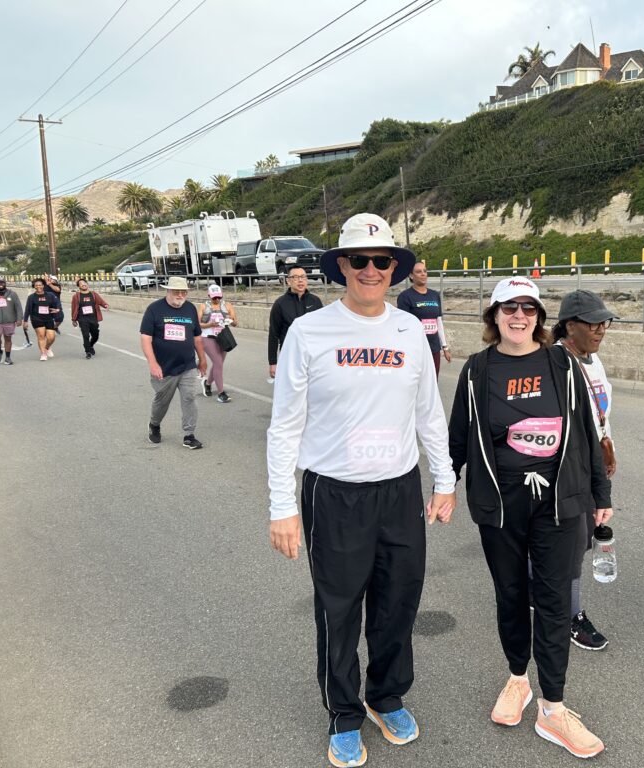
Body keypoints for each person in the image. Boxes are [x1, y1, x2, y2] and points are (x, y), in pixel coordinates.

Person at [267, 213, 455, 768]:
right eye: (359, 261)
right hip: (334, 493)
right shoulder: (310, 332)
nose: (370, 271)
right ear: (342, 267)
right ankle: (344, 712)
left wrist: (444, 480)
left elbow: (429, 414)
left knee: (399, 601)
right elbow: (285, 427)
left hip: (398, 490)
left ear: (394, 268)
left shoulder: (409, 332)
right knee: (340, 608)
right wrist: (282, 506)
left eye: (381, 261)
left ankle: (386, 695)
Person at [448, 276, 612, 759]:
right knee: (511, 595)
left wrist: (602, 492)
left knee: (555, 599)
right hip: (500, 505)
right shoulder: (477, 371)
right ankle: (518, 679)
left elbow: (588, 429)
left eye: (528, 308)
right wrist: (444, 486)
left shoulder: (561, 363)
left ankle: (554, 708)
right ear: (493, 315)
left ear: (540, 318)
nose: (518, 316)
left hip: (559, 503)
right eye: (508, 307)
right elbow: (459, 436)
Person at [551, 289, 620, 652]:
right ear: (569, 326)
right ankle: (569, 616)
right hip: (567, 469)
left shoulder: (593, 360)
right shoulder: (556, 362)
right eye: (592, 323)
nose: (600, 330)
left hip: (592, 463)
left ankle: (540, 591)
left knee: (576, 541)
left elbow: (600, 412)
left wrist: (608, 447)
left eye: (603, 322)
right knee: (575, 545)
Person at [140, 276, 208, 449]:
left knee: (190, 397)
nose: (180, 295)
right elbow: (146, 339)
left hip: (187, 365)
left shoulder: (190, 309)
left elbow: (197, 337)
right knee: (162, 401)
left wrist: (202, 359)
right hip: (164, 368)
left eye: (183, 292)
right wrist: (153, 364)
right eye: (176, 291)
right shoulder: (154, 309)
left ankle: (189, 435)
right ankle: (154, 425)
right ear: (168, 291)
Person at [267, 266, 322, 381]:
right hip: (290, 356)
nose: (300, 280)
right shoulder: (280, 303)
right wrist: (273, 362)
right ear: (288, 281)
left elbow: (322, 331)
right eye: (296, 277)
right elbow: (273, 334)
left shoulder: (315, 301)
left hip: (313, 356)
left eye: (303, 277)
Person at [396, 261, 451, 376]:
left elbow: (438, 322)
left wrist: (445, 347)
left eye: (425, 271)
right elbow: (403, 326)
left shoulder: (435, 295)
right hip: (416, 349)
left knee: (433, 381)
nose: (423, 274)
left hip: (434, 348)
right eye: (418, 272)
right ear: (411, 276)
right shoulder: (405, 297)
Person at [199, 284, 238, 403]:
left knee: (218, 364)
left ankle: (207, 383)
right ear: (209, 296)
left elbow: (235, 322)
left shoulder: (227, 305)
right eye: (214, 297)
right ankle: (221, 393)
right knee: (218, 362)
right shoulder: (203, 307)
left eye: (218, 297)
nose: (216, 300)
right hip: (208, 337)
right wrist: (210, 324)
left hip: (223, 338)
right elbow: (197, 324)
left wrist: (230, 321)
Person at [23, 278, 62, 362]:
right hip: (36, 319)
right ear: (34, 287)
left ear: (43, 286)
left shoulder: (50, 295)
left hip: (49, 318)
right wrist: (25, 321)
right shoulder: (31, 297)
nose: (38, 286)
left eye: (40, 285)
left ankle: (47, 348)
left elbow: (57, 302)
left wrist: (57, 309)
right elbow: (27, 309)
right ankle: (43, 354)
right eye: (36, 285)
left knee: (51, 337)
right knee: (41, 336)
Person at [70, 278, 109, 359]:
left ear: (87, 284)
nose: (83, 284)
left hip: (93, 318)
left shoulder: (93, 294)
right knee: (86, 335)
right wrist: (73, 320)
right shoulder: (76, 296)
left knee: (95, 335)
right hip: (82, 319)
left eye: (84, 283)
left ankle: (91, 345)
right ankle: (87, 351)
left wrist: (105, 305)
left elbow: (101, 301)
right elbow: (74, 308)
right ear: (78, 286)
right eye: (81, 283)